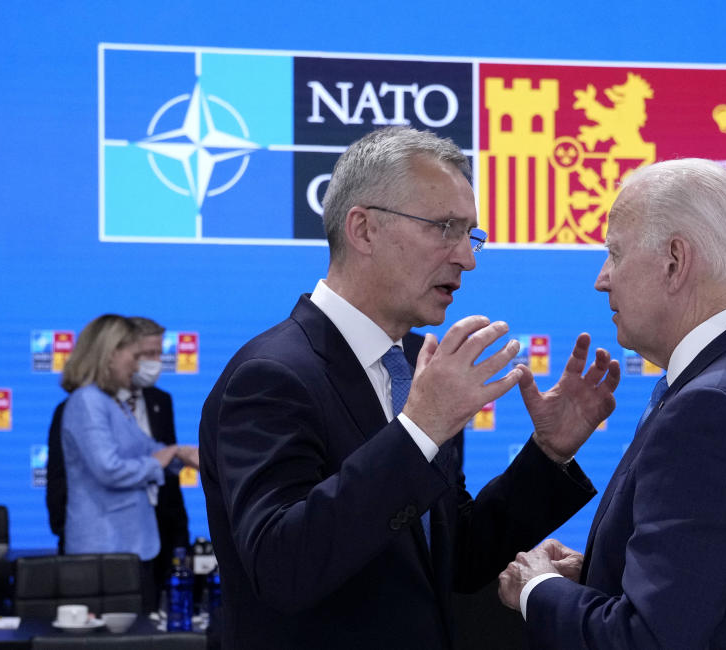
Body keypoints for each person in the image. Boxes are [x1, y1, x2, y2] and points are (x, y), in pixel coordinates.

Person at [198, 126, 620, 649]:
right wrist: (420, 428)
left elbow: (453, 557)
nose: (467, 257)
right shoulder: (273, 376)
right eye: (445, 228)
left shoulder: (420, 367)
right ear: (364, 229)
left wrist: (547, 455)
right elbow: (284, 568)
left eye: (471, 234)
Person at [497, 158, 726, 648]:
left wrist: (538, 587)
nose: (602, 279)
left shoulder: (714, 409)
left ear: (675, 262)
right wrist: (603, 573)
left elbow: (647, 639)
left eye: (614, 253)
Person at [59, 314, 197, 611]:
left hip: (131, 545)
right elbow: (108, 469)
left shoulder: (113, 402)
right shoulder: (87, 401)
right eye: (135, 357)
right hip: (104, 550)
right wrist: (159, 462)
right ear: (110, 354)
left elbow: (149, 448)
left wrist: (180, 454)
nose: (138, 367)